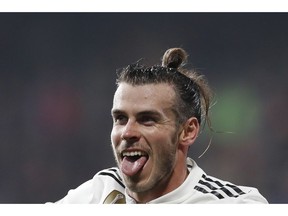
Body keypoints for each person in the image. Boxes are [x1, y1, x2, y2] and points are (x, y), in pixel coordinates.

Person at [54, 47, 268, 204]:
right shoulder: (97, 192)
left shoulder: (232, 205)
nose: (127, 132)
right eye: (120, 119)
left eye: (147, 119)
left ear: (188, 131)